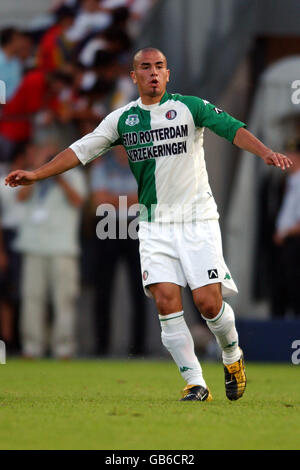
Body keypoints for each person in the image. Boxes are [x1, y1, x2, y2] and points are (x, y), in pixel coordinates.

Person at [5, 47, 292, 401]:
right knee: (166, 300)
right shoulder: (121, 120)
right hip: (155, 225)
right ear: (134, 76)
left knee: (207, 304)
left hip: (196, 220)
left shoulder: (191, 107)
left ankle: (232, 354)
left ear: (167, 74)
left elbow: (232, 128)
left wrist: (265, 152)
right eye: (145, 67)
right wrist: (37, 173)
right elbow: (80, 150)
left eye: (159, 67)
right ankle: (196, 383)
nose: (153, 72)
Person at [13, 142, 87, 358]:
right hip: (33, 245)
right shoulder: (31, 176)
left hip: (62, 247)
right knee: (32, 299)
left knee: (64, 300)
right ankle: (31, 347)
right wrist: (37, 170)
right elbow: (21, 197)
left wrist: (58, 175)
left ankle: (64, 348)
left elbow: (78, 201)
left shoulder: (74, 176)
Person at [90, 146, 147, 355]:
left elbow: (145, 200)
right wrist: (129, 198)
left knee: (140, 288)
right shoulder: (102, 167)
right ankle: (101, 345)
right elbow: (98, 202)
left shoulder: (141, 166)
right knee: (103, 288)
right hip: (107, 226)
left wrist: (113, 198)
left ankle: (139, 347)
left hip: (135, 227)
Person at [272, 138, 300, 316]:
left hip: (295, 242)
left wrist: (286, 233)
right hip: (285, 243)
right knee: (283, 289)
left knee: (295, 288)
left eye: (290, 154)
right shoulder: (288, 182)